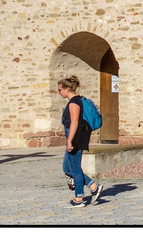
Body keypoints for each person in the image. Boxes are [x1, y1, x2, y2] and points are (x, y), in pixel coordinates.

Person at [58, 76, 102, 206]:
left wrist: (70, 141)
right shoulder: (75, 101)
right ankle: (93, 186)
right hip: (74, 135)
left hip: (75, 137)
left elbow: (74, 123)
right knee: (67, 167)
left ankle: (79, 198)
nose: (59, 92)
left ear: (67, 89)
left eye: (60, 90)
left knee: (75, 168)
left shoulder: (74, 103)